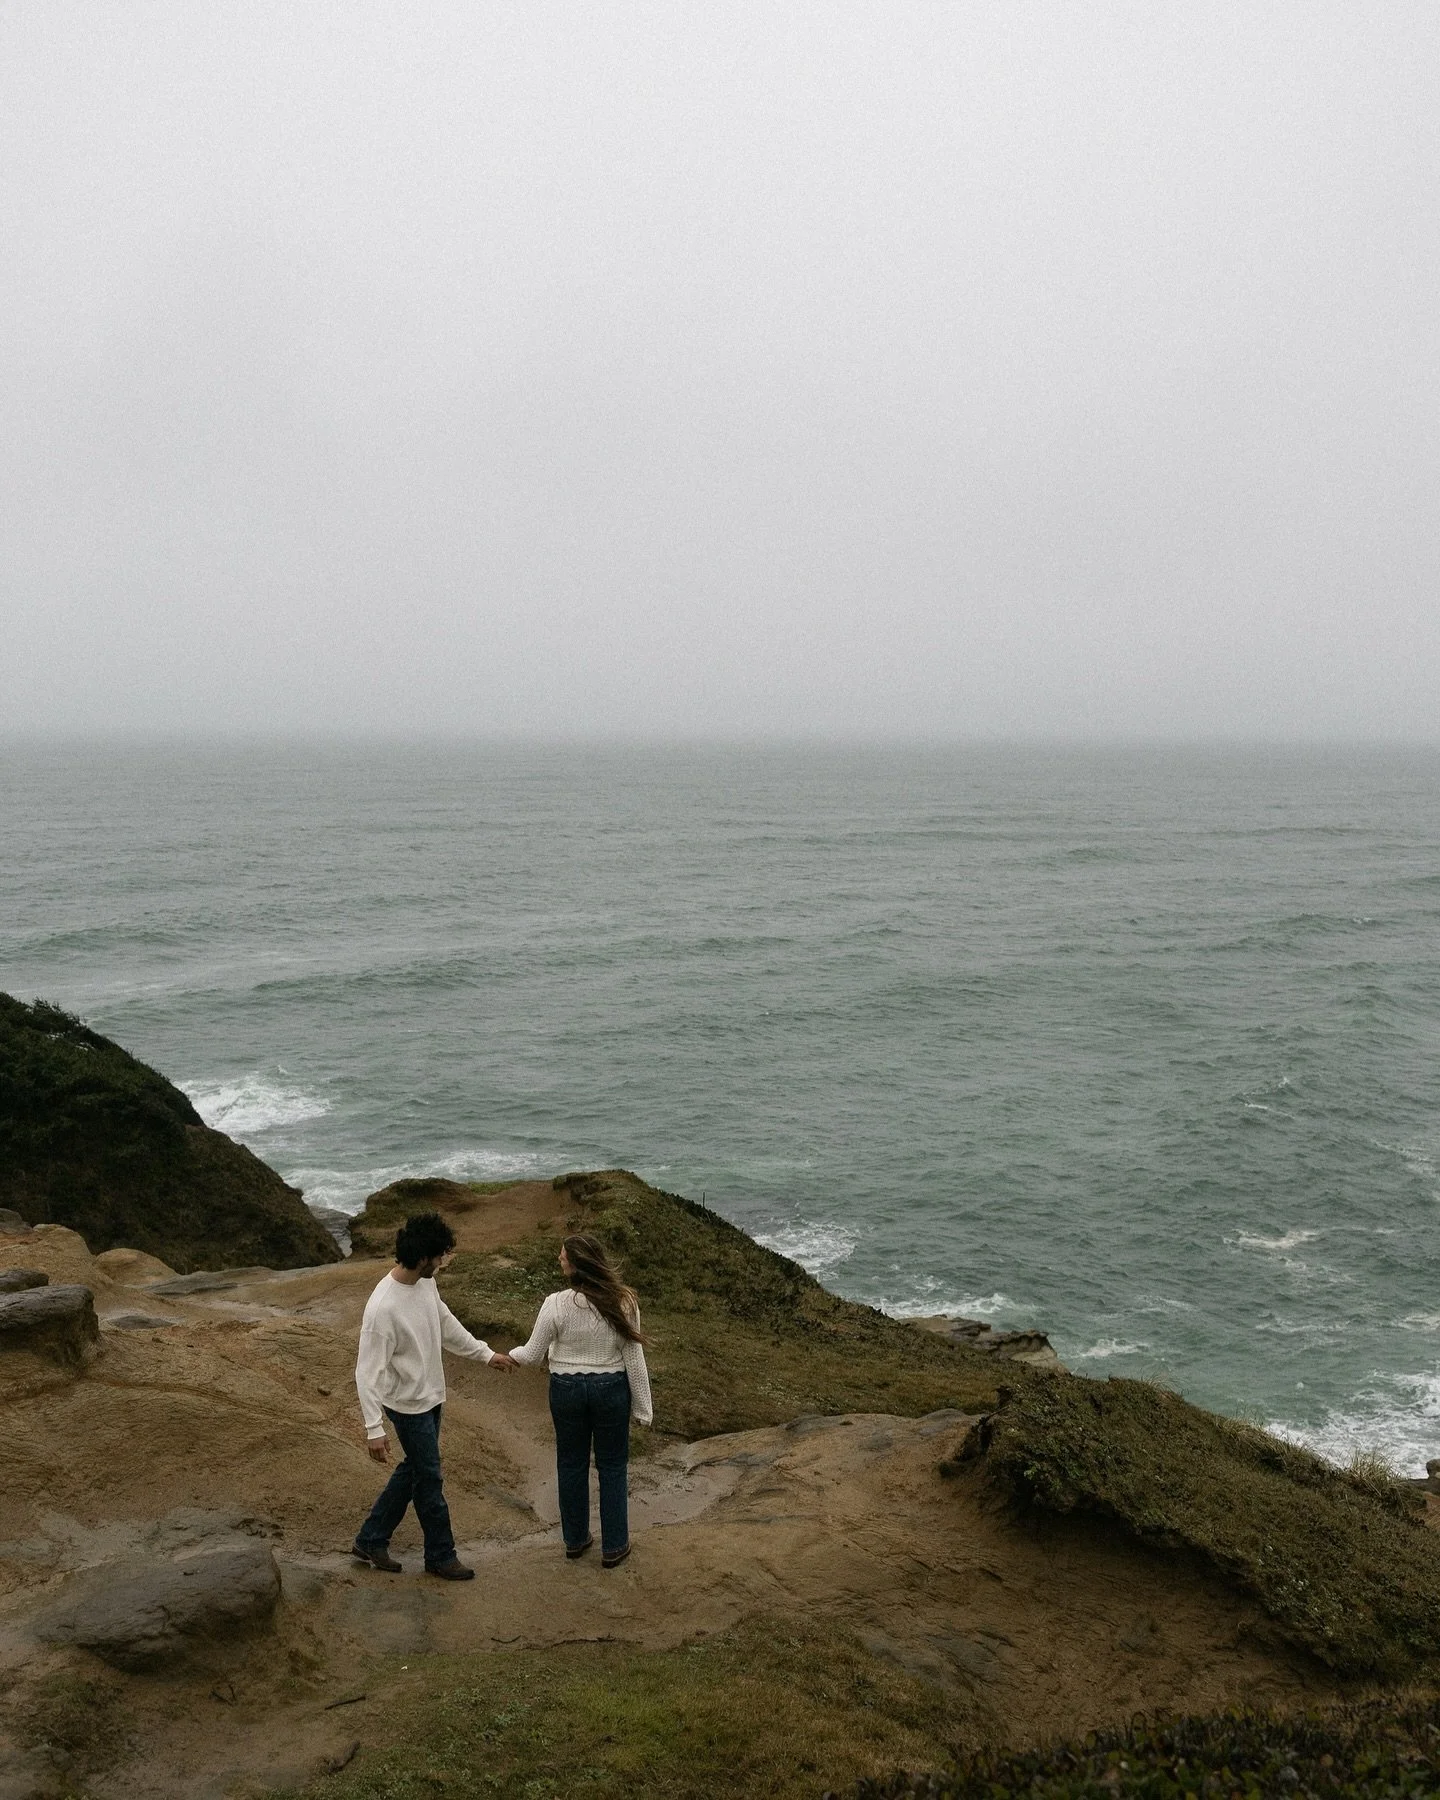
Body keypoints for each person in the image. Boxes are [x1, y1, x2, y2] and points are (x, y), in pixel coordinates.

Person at [353, 1210, 514, 1580]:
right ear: (424, 1257)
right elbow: (366, 1372)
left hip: (431, 1397)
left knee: (415, 1470)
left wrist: (485, 1354)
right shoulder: (383, 1309)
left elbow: (444, 1323)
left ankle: (370, 1538)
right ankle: (440, 1555)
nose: (444, 1261)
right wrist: (373, 1428)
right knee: (430, 1479)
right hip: (407, 1406)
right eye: (440, 1255)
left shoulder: (426, 1283)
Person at [507, 1232, 652, 1568]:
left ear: (574, 1265)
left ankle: (575, 1541)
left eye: (562, 1256)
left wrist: (506, 1356)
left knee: (571, 1464)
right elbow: (634, 1356)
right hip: (611, 1389)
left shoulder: (554, 1304)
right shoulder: (624, 1302)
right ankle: (614, 1547)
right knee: (612, 1467)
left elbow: (531, 1354)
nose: (558, 1259)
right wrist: (643, 1407)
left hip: (566, 1390)